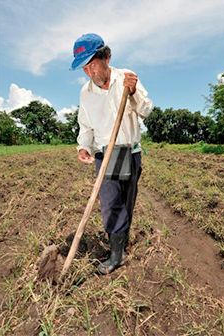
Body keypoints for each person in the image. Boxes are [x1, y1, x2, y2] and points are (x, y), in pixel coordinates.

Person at [71, 33, 153, 274]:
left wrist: (134, 91)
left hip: (130, 151)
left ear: (107, 57)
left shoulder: (126, 78)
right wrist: (83, 146)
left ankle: (121, 244)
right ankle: (116, 255)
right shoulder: (86, 93)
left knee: (127, 202)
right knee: (109, 203)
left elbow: (146, 110)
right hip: (105, 154)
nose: (89, 72)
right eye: (84, 68)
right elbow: (85, 126)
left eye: (92, 64)